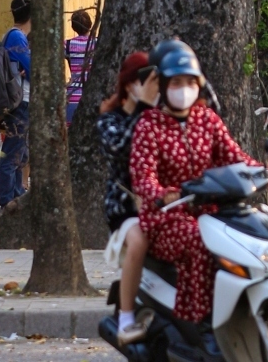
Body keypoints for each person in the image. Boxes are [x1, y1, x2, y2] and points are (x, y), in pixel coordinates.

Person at [130, 40, 268, 328]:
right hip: (166, 218)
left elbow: (235, 157)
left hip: (211, 211)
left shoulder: (207, 120)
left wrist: (265, 173)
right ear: (163, 86)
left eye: (190, 82)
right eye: (176, 82)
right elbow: (142, 177)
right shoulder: (149, 125)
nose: (184, 89)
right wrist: (163, 194)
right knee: (200, 242)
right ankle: (197, 323)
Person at [98, 51, 162, 343]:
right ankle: (125, 319)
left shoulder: (160, 114)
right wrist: (144, 108)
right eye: (146, 80)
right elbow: (123, 148)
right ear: (129, 84)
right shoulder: (109, 121)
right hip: (125, 207)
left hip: (160, 201)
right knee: (140, 239)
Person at [0, 0, 32, 208]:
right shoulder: (17, 37)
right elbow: (33, 69)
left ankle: (17, 196)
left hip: (19, 101)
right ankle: (7, 201)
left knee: (21, 154)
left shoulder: (12, 35)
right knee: (12, 154)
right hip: (21, 102)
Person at [65, 9, 97, 125]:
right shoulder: (97, 43)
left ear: (73, 27)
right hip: (93, 95)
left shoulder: (67, 44)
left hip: (72, 96)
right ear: (90, 24)